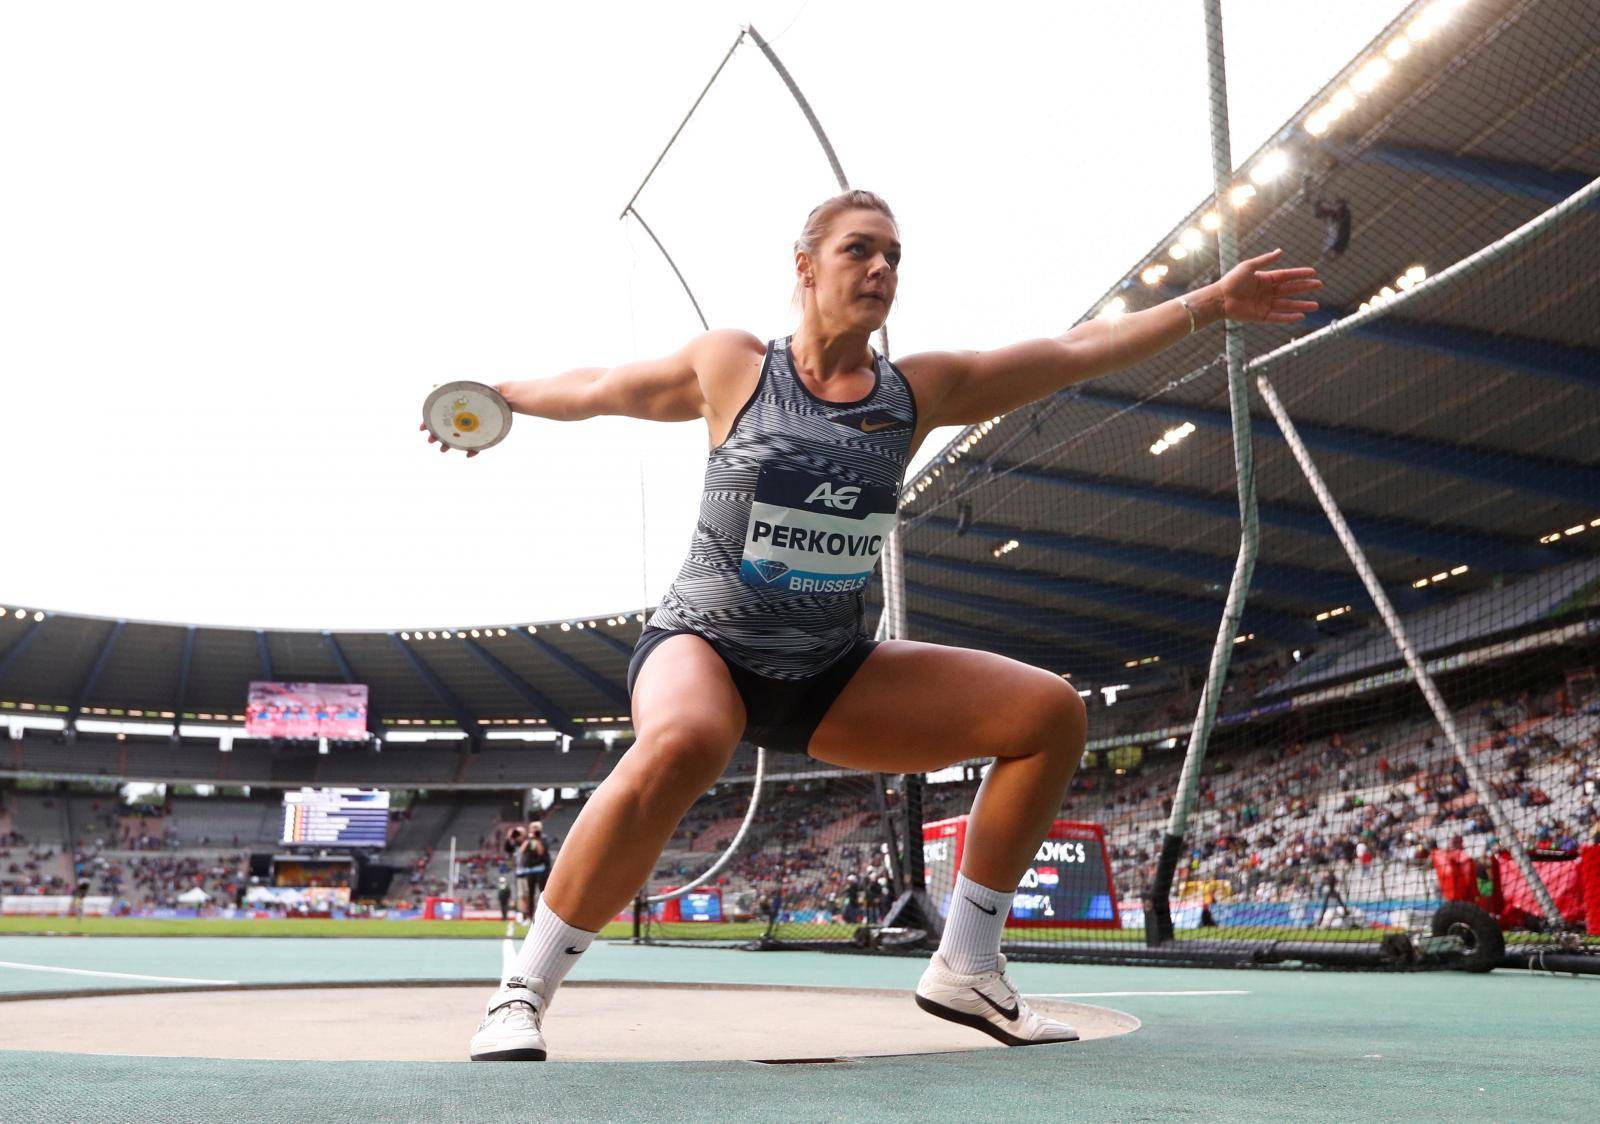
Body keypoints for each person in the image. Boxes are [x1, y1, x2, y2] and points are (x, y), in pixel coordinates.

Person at [441, 189, 1320, 1061]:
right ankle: (523, 991)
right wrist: (497, 397)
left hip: (828, 671)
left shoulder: (916, 393)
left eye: (893, 256)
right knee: (688, 740)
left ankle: (968, 966)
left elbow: (1071, 350)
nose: (880, 269)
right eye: (860, 249)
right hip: (701, 646)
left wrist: (1209, 303)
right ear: (805, 265)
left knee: (1049, 713)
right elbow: (599, 388)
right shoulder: (734, 367)